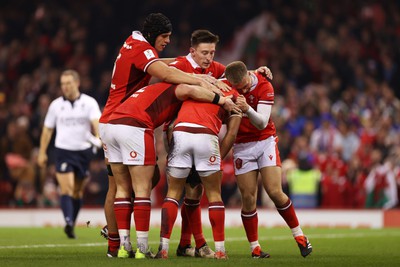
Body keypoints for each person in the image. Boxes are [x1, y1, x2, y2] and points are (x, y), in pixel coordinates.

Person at [98, 13, 220, 258]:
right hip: (123, 117)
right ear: (153, 34)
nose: (166, 41)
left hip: (116, 120)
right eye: (164, 37)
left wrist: (190, 61)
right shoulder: (141, 49)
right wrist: (199, 78)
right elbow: (165, 73)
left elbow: (162, 63)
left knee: (141, 180)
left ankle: (119, 232)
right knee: (124, 187)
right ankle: (116, 242)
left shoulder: (134, 45)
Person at [166, 29, 273, 258]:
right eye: (205, 53)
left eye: (212, 52)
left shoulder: (216, 70)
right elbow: (162, 72)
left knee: (192, 192)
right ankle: (197, 245)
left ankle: (187, 244)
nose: (209, 58)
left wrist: (256, 72)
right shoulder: (180, 65)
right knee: (192, 191)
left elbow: (236, 74)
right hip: (176, 127)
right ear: (192, 51)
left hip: (190, 132)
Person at [103, 81, 237, 259]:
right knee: (143, 187)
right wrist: (221, 100)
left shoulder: (156, 88)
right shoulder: (179, 87)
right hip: (136, 125)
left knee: (122, 188)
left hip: (111, 124)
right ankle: (142, 249)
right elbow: (187, 88)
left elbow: (169, 126)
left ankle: (125, 247)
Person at [224, 61, 312, 258]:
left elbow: (262, 122)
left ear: (249, 73)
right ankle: (255, 248)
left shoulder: (265, 85)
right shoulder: (228, 84)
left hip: (265, 141)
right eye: (240, 88)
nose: (245, 89)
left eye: (246, 85)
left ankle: (300, 236)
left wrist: (246, 108)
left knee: (274, 191)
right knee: (248, 198)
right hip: (242, 145)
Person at [155, 83, 242, 260]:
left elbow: (169, 126)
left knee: (172, 194)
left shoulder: (196, 86)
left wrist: (172, 151)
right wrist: (215, 161)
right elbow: (231, 134)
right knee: (214, 195)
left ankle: (163, 248)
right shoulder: (235, 96)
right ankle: (220, 251)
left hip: (180, 133)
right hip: (206, 135)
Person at [37, 70, 102, 239]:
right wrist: (42, 152)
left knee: (78, 192)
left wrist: (98, 139)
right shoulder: (56, 105)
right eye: (63, 84)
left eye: (68, 83)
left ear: (77, 83)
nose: (65, 87)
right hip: (63, 151)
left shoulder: (89, 103)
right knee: (67, 188)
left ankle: (71, 223)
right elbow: (47, 130)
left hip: (83, 152)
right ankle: (67, 221)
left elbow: (97, 124)